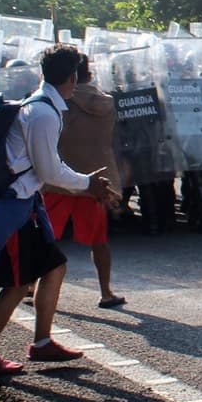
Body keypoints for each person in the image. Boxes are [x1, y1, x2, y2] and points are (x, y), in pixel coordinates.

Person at [0, 44, 115, 375]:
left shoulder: (43, 105)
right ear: (73, 77)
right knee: (16, 284)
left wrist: (84, 183)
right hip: (15, 207)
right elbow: (50, 171)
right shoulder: (43, 113)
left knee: (54, 267)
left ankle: (42, 343)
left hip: (23, 204)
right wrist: (88, 184)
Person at [41, 55, 126, 309]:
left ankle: (31, 287)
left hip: (59, 179)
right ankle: (106, 292)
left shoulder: (56, 102)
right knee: (99, 240)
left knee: (44, 239)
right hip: (95, 181)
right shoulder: (105, 103)